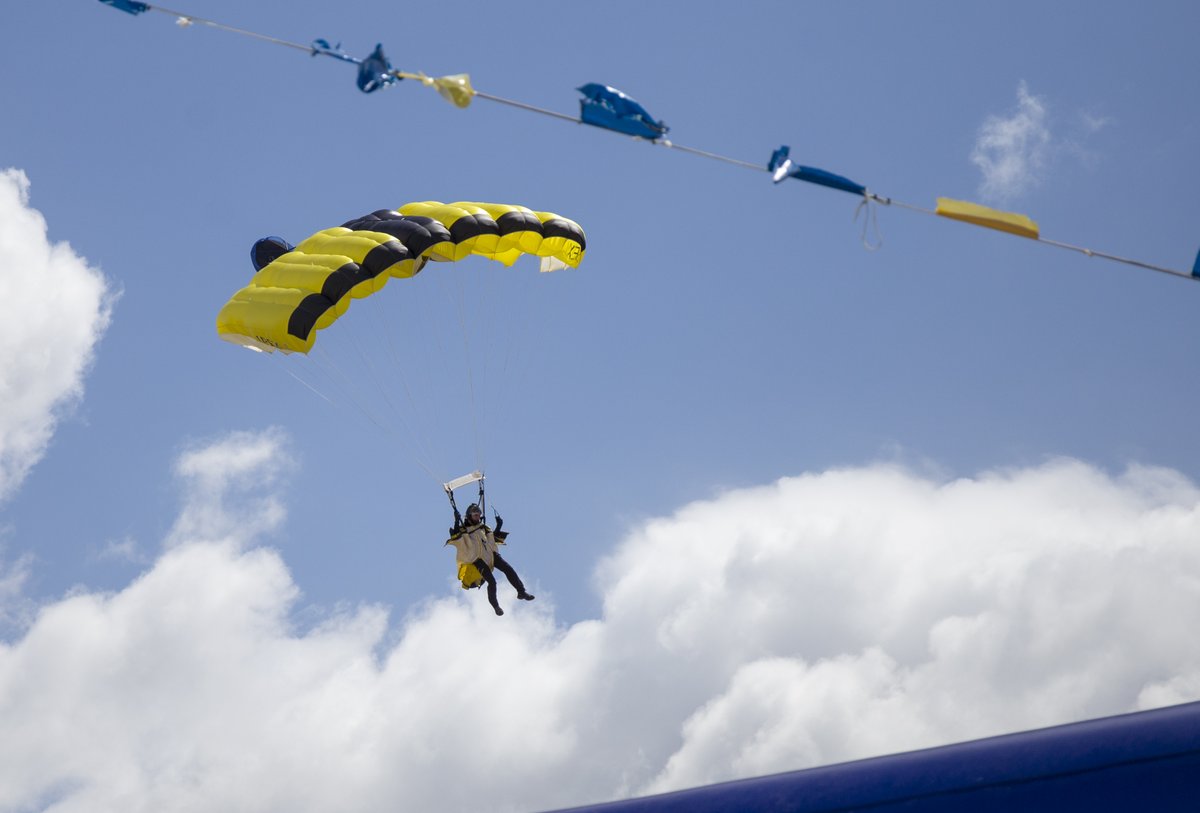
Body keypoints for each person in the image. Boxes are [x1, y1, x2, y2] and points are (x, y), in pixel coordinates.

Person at [445, 503, 534, 615]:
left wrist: (498, 526)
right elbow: (456, 537)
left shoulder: (484, 528)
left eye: (478, 515)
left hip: (490, 555)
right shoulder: (464, 530)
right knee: (492, 582)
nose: (477, 517)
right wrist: (456, 521)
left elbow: (492, 538)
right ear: (469, 516)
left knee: (509, 569)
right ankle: (496, 607)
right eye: (475, 515)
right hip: (477, 559)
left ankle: (522, 592)